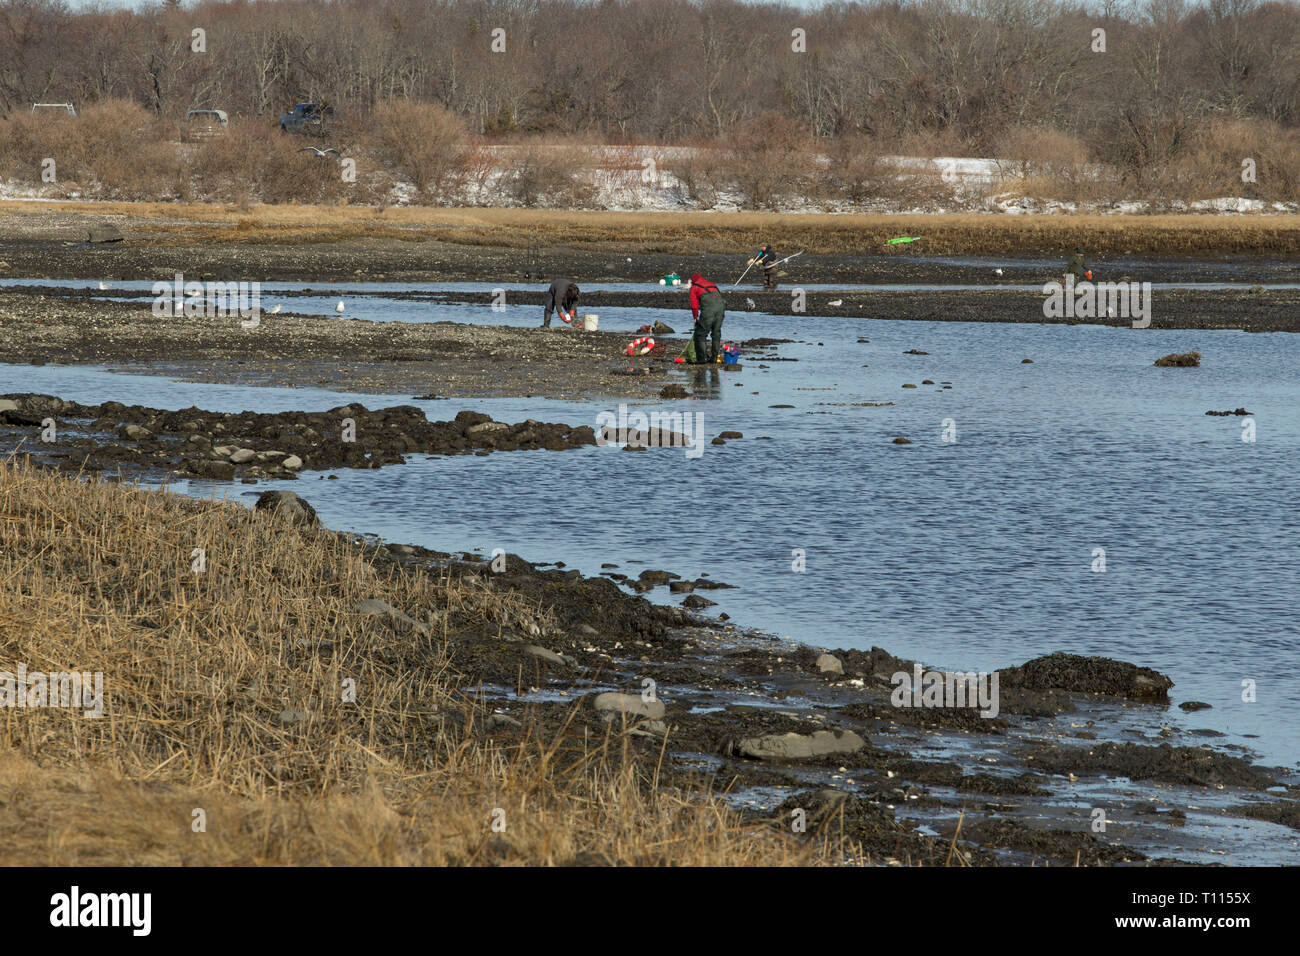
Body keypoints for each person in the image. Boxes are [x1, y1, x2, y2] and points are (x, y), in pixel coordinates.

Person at [688, 273, 726, 364]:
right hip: (721, 309)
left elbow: (694, 305)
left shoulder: (694, 288)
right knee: (716, 333)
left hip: (709, 311)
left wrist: (695, 317)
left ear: (693, 281)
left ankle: (702, 359)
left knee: (701, 334)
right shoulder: (712, 285)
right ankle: (714, 359)